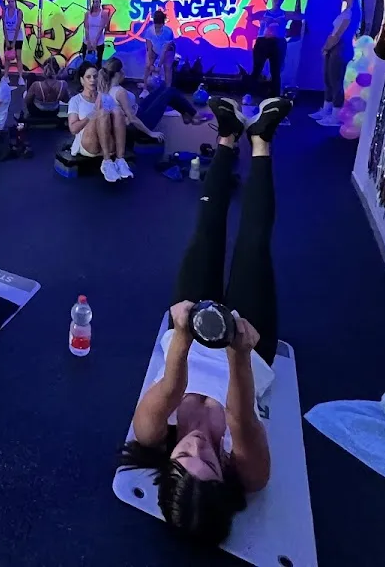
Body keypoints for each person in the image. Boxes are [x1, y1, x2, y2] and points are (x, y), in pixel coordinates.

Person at [118, 95, 291, 545]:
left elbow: (172, 387)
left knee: (206, 234)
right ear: (223, 479)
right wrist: (240, 349)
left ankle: (228, 137)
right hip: (249, 357)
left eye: (183, 457)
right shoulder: (250, 473)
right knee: (253, 244)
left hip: (187, 342)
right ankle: (261, 142)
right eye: (208, 460)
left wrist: (182, 330)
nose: (195, 444)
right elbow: (240, 416)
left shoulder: (150, 434)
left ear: (167, 468)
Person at [99, 58, 198, 148]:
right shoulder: (120, 92)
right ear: (117, 73)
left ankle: (185, 114)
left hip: (138, 111)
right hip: (141, 123)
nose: (123, 72)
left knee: (165, 87)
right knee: (170, 91)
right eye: (122, 70)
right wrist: (151, 133)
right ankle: (194, 115)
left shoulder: (106, 88)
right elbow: (132, 118)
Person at [312, 0, 364, 126]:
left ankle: (335, 116)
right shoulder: (347, 11)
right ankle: (326, 110)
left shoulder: (352, 12)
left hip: (340, 48)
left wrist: (326, 47)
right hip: (335, 47)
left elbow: (338, 35)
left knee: (336, 82)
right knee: (328, 80)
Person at [67, 62, 125, 182]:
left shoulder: (106, 97)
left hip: (109, 145)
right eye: (88, 77)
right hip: (90, 145)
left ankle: (120, 159)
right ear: (82, 80)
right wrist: (91, 116)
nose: (92, 80)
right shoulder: (75, 100)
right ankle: (107, 161)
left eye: (95, 76)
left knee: (118, 112)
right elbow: (73, 129)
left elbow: (119, 120)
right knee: (101, 112)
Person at [245, 0, 302, 97]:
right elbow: (250, 18)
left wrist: (289, 17)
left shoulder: (285, 14)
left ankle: (275, 96)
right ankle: (249, 95)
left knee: (275, 71)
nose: (278, 2)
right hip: (262, 42)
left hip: (277, 43)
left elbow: (300, 17)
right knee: (257, 69)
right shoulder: (264, 13)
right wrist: (252, 13)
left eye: (280, 0)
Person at [24, 56, 70, 122]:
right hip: (53, 112)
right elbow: (66, 100)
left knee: (30, 79)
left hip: (36, 112)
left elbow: (27, 101)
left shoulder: (36, 85)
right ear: (58, 70)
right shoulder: (63, 84)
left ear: (44, 70)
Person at [0, 0, 26, 86]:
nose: (10, 3)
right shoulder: (4, 11)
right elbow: (4, 27)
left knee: (18, 56)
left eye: (11, 1)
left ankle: (21, 77)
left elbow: (17, 27)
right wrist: (7, 40)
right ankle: (6, 76)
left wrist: (14, 42)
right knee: (7, 57)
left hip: (18, 38)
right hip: (8, 37)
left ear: (15, 1)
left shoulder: (19, 12)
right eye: (8, 1)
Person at [145, 10, 177, 89]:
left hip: (168, 51)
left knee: (167, 68)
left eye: (160, 26)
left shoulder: (168, 32)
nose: (158, 28)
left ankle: (168, 89)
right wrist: (151, 64)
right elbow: (149, 49)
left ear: (163, 23)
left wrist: (159, 66)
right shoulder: (149, 31)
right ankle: (145, 88)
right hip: (154, 49)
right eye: (156, 26)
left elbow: (164, 51)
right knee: (148, 66)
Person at [83, 0, 110, 67]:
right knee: (86, 64)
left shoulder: (103, 13)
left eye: (97, 2)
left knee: (97, 64)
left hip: (99, 43)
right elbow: (86, 28)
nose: (95, 4)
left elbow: (101, 29)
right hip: (87, 42)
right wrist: (88, 42)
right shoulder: (87, 14)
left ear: (100, 2)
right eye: (94, 2)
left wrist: (95, 42)